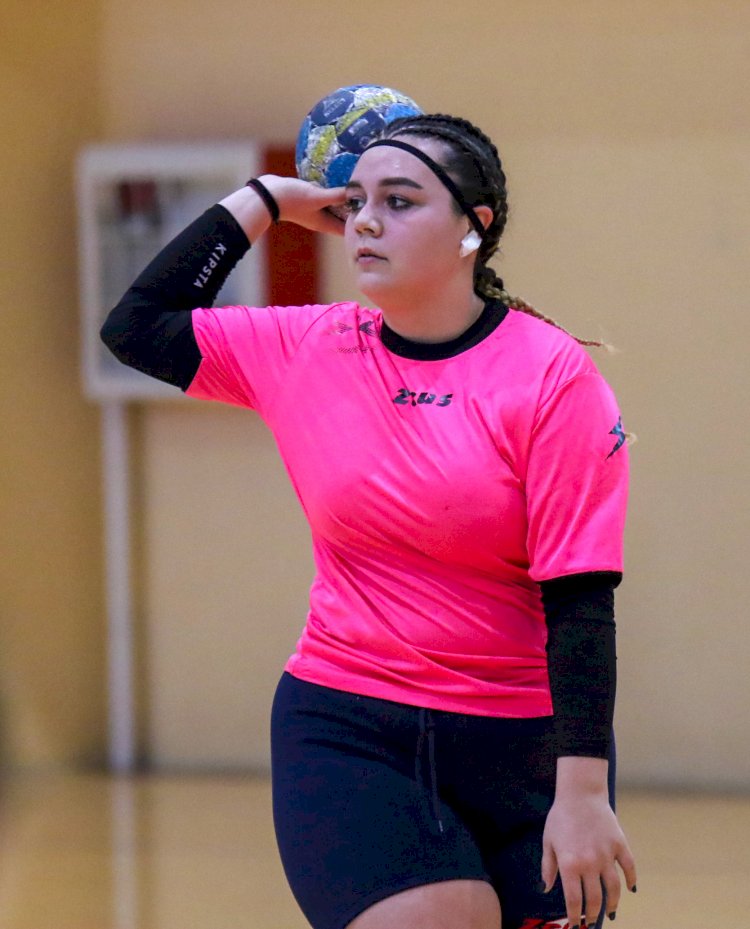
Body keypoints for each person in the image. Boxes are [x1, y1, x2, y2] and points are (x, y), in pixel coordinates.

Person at [101, 112, 637, 929]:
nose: (367, 222)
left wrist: (584, 795)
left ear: (474, 228)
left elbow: (581, 600)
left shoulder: (551, 377)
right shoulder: (307, 346)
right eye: (355, 203)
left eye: (400, 200)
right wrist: (267, 199)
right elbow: (136, 327)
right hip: (354, 728)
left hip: (525, 749)